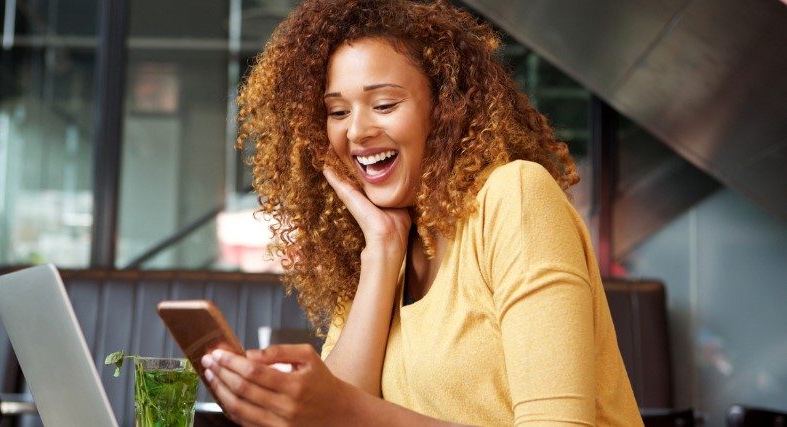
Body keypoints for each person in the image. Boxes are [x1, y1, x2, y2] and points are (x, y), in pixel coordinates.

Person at [201, 0, 643, 425]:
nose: (356, 130)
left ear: (446, 107)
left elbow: (343, 412)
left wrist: (351, 414)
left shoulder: (515, 197)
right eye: (337, 111)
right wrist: (382, 247)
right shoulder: (379, 244)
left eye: (385, 104)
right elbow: (328, 414)